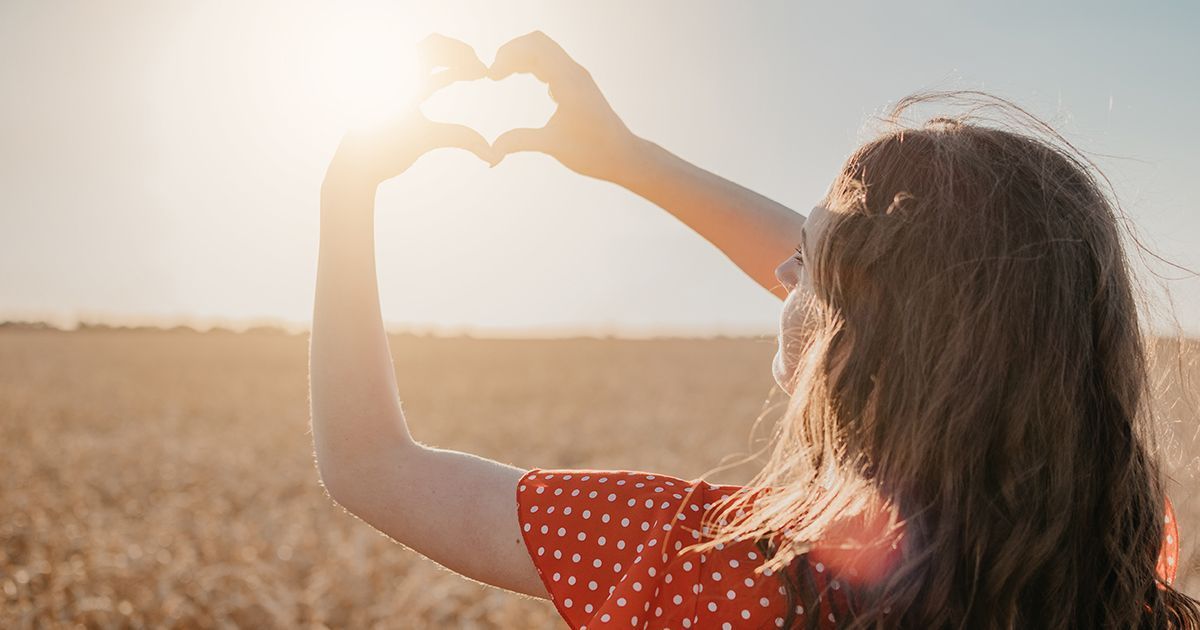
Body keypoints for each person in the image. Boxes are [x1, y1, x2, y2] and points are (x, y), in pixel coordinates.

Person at [309, 32, 1199, 629]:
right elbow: (932, 304)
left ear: (862, 342)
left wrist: (347, 191)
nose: (780, 268)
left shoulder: (697, 560)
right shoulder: (1120, 548)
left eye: (806, 261)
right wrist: (628, 158)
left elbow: (371, 465)